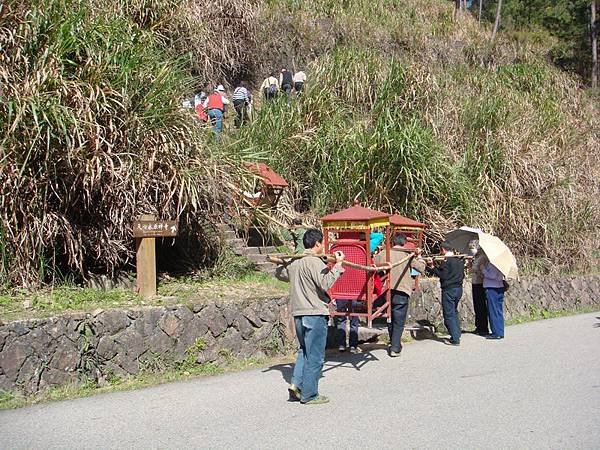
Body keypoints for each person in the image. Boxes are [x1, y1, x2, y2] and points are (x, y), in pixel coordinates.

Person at [275, 229, 345, 405]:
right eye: (322, 243)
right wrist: (337, 266)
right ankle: (310, 394)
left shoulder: (296, 263)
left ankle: (296, 386)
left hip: (298, 313)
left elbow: (280, 274)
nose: (323, 247)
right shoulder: (314, 262)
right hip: (314, 313)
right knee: (315, 355)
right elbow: (325, 283)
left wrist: (284, 262)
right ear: (317, 244)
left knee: (304, 351)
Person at [335, 232, 384, 354]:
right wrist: (363, 235)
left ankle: (341, 344)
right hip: (357, 287)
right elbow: (379, 236)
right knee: (354, 317)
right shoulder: (364, 247)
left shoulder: (335, 248)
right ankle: (353, 345)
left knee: (341, 317)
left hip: (340, 286)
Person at [385, 233, 426, 357]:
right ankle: (395, 347)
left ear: (393, 242)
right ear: (404, 243)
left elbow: (374, 263)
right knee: (399, 319)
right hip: (402, 290)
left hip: (386, 290)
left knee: (389, 317)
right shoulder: (407, 256)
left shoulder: (384, 253)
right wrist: (419, 257)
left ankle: (393, 341)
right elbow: (421, 268)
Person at [427, 241, 465, 346]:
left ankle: (455, 338)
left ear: (443, 249)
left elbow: (443, 275)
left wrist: (432, 267)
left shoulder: (447, 261)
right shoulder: (459, 260)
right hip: (459, 288)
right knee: (454, 311)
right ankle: (457, 332)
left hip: (449, 289)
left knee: (449, 313)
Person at [483, 262, 506, 340]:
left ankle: (496, 333)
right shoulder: (501, 263)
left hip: (492, 287)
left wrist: (483, 269)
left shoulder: (493, 263)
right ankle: (500, 331)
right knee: (499, 311)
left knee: (493, 311)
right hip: (499, 286)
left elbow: (492, 275)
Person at [470, 245, 490, 336]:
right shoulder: (476, 257)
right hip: (475, 282)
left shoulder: (482, 257)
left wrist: (475, 271)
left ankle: (483, 327)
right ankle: (478, 326)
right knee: (477, 306)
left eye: (472, 247)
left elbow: (482, 271)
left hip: (480, 283)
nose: (471, 249)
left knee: (481, 305)